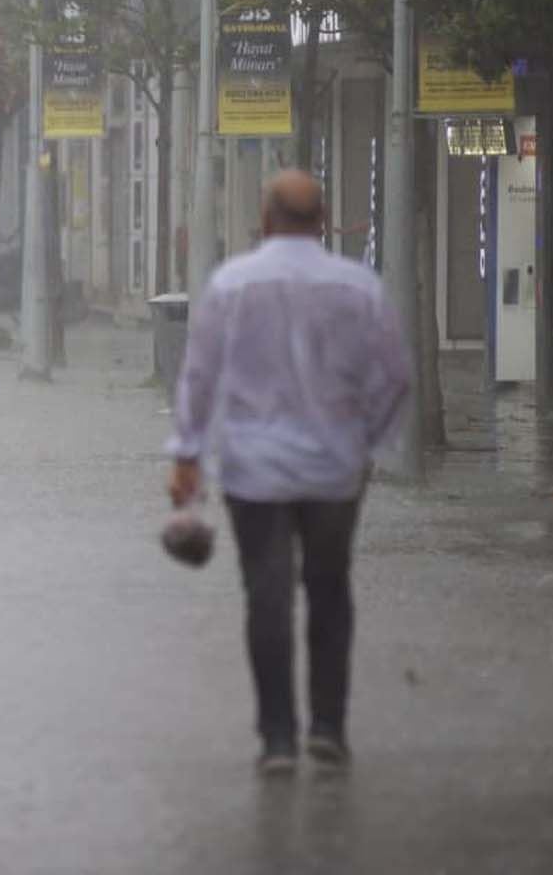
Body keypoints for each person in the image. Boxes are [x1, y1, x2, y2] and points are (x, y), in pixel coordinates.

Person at [167, 169, 411, 777]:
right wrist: (370, 444)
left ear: (266, 219)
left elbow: (198, 377)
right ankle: (328, 728)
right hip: (335, 469)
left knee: (267, 598)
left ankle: (277, 738)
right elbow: (396, 378)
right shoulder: (359, 287)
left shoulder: (230, 285)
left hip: (255, 471)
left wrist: (187, 455)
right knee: (330, 591)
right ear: (323, 222)